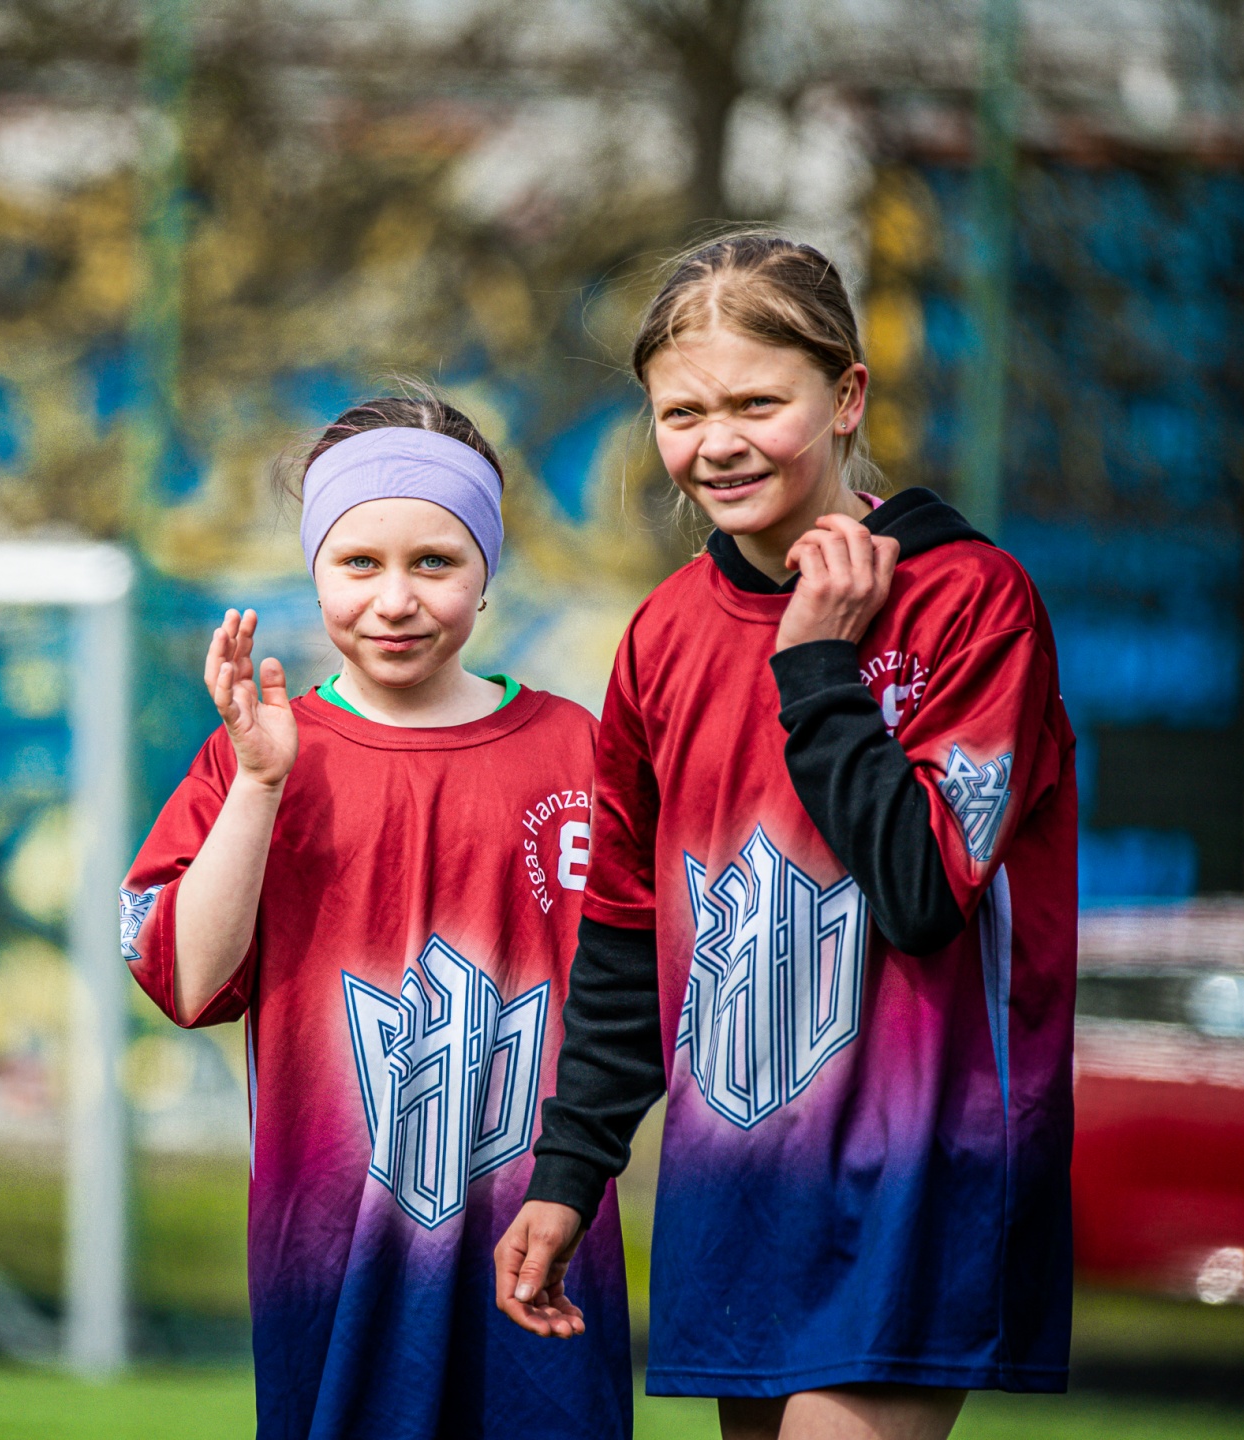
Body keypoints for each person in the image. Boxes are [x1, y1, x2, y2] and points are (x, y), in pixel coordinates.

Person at [494, 234, 1077, 1440]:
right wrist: (569, 1172)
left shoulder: (973, 602)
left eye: (758, 403)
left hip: (915, 1171)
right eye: (683, 413)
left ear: (847, 396)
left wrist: (815, 665)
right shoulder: (662, 635)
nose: (718, 443)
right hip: (738, 1184)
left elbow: (922, 892)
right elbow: (625, 934)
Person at [121, 395, 631, 1440]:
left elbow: (641, 991)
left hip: (535, 1249)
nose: (395, 599)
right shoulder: (261, 755)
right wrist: (259, 786)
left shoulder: (578, 751)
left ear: (486, 571)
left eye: (434, 562)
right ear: (316, 572)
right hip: (329, 1265)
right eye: (359, 562)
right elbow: (186, 982)